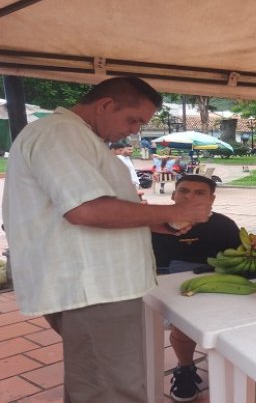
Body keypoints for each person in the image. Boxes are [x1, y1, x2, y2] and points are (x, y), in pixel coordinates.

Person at [2, 76, 212, 402]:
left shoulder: (77, 138)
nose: (134, 130)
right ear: (105, 105)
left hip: (100, 288)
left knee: (102, 384)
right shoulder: (60, 134)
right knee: (111, 390)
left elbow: (95, 210)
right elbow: (85, 210)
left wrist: (165, 224)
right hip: (94, 290)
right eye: (133, 120)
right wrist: (175, 209)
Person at [151, 175, 241, 401]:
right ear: (173, 195)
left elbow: (238, 262)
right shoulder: (152, 223)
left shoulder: (224, 226)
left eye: (199, 193)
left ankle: (235, 366)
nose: (190, 197)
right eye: (184, 191)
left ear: (212, 199)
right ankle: (185, 368)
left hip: (216, 285)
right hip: (166, 288)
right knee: (183, 326)